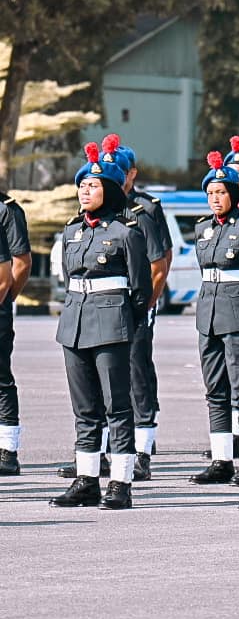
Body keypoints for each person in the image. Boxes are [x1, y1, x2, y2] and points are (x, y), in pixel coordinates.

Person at [50, 137, 151, 509]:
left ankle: (121, 483)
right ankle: (87, 479)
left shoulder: (127, 233)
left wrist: (127, 323)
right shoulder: (72, 230)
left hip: (112, 324)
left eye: (92, 185)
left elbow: (141, 290)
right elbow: (67, 278)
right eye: (81, 185)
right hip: (74, 322)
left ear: (109, 190)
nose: (84, 191)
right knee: (84, 408)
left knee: (118, 406)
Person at [187, 151, 239, 487]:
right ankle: (222, 459)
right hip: (208, 315)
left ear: (233, 194)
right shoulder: (202, 228)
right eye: (210, 193)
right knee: (215, 389)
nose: (215, 199)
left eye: (221, 193)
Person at [113, 140, 172, 482]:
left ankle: (142, 450)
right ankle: (109, 448)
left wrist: (144, 306)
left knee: (137, 376)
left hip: (134, 307)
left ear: (132, 174)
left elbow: (160, 263)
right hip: (104, 310)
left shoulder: (143, 211)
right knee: (106, 380)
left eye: (118, 172)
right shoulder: (98, 213)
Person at [0, 184, 31, 475]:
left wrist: (6, 297)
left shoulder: (7, 210)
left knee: (0, 378)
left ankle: (7, 450)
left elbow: (21, 263)